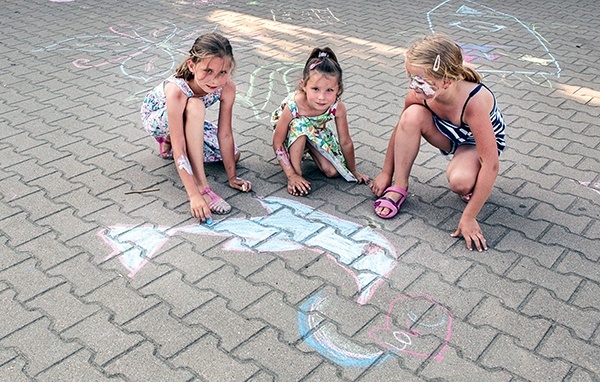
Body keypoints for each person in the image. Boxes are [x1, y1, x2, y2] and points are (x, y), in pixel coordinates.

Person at [370, 33, 506, 251]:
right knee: (411, 115)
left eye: (421, 80)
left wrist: (470, 216)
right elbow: (401, 130)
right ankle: (400, 185)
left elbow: (491, 163)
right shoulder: (418, 95)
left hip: (473, 142)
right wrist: (387, 172)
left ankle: (472, 179)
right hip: (447, 133)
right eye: (410, 76)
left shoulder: (474, 102)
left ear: (447, 81)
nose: (413, 85)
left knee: (460, 182)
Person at [141, 33, 252, 222]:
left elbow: (224, 133)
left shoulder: (227, 88)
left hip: (190, 117)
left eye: (222, 73)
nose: (215, 80)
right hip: (159, 119)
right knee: (195, 105)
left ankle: (167, 142)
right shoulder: (177, 90)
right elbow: (180, 146)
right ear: (192, 66)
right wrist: (194, 195)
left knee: (234, 155)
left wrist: (231, 177)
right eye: (208, 71)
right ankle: (202, 186)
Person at [271, 47, 369, 196]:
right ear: (304, 85)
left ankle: (309, 145)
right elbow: (277, 141)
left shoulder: (338, 107)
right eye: (315, 89)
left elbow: (345, 141)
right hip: (291, 133)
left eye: (329, 90)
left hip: (317, 130)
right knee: (300, 125)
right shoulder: (293, 106)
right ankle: (296, 174)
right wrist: (291, 174)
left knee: (332, 172)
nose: (321, 97)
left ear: (339, 89)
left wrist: (353, 170)